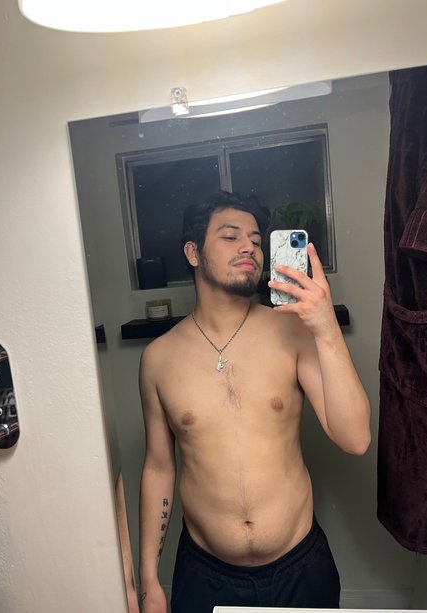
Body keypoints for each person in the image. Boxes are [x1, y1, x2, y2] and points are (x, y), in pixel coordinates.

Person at [138, 191, 371, 613]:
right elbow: (159, 467)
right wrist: (149, 580)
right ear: (193, 253)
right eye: (230, 236)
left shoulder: (292, 334)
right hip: (204, 575)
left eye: (257, 240)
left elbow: (355, 438)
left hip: (301, 569)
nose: (249, 247)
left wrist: (325, 328)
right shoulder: (159, 358)